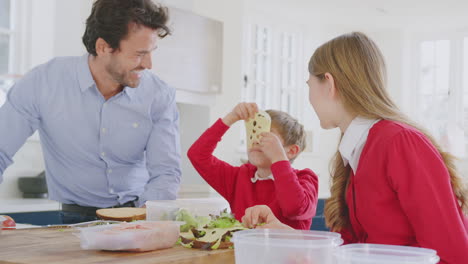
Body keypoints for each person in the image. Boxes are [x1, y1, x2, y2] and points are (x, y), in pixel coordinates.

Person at [242, 32, 468, 264]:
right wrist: (286, 236)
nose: (309, 97)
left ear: (328, 83)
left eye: (310, 85)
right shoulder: (357, 150)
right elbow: (353, 251)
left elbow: (454, 256)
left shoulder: (399, 142)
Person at [0, 0, 181, 224]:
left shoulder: (159, 95)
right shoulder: (43, 83)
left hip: (137, 215)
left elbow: (166, 172)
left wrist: (144, 220)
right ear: (103, 47)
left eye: (151, 52)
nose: (149, 64)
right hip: (73, 218)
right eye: (139, 54)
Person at [187, 102, 318, 230]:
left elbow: (293, 207)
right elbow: (197, 155)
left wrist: (278, 157)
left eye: (266, 134)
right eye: (253, 132)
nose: (255, 140)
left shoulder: (306, 179)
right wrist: (231, 118)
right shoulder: (238, 177)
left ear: (291, 151)